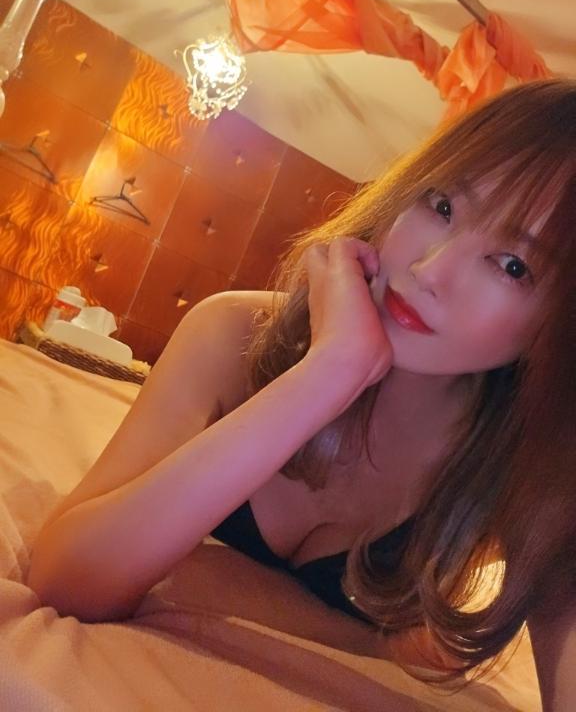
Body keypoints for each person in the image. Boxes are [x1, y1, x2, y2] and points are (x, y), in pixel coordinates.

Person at [28, 79, 576, 707]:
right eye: (442, 205)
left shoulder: (528, 475)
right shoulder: (232, 332)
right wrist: (329, 371)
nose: (429, 269)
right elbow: (65, 582)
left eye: (512, 265)